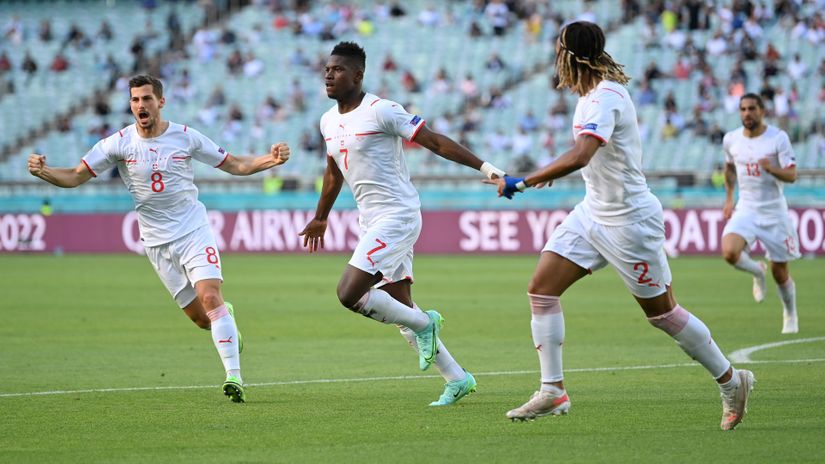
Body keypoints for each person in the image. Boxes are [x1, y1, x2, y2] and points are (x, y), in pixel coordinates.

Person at [485, 22, 754, 430]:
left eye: (558, 48)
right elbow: (584, 156)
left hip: (630, 222)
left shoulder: (606, 97)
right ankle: (552, 389)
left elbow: (582, 153)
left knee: (663, 315)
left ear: (570, 55)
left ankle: (732, 381)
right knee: (541, 290)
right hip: (593, 212)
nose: (555, 56)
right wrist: (555, 171)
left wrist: (523, 181)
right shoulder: (590, 95)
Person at [27, 75, 290, 403]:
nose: (141, 105)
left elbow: (234, 164)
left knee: (210, 297)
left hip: (194, 231)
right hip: (156, 243)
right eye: (135, 100)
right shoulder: (118, 143)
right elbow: (76, 176)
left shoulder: (185, 137)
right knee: (201, 319)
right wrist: (44, 172)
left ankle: (234, 377)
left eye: (147, 99)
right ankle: (227, 317)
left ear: (161, 102)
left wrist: (271, 160)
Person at [299, 42, 506, 406]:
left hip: (398, 215)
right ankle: (457, 378)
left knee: (349, 293)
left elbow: (435, 142)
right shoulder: (328, 121)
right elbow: (333, 172)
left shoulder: (383, 111)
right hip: (371, 220)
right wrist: (320, 216)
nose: (329, 75)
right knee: (398, 304)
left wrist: (487, 168)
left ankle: (426, 322)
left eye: (338, 70)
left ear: (358, 75)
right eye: (327, 69)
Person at [721, 93, 800, 334]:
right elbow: (729, 168)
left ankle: (790, 312)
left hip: (774, 211)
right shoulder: (731, 139)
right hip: (747, 208)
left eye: (752, 108)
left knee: (780, 272)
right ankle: (757, 271)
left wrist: (772, 169)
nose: (747, 113)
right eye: (743, 109)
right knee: (729, 252)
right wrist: (728, 198)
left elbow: (792, 175)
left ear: (762, 111)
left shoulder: (777, 138)